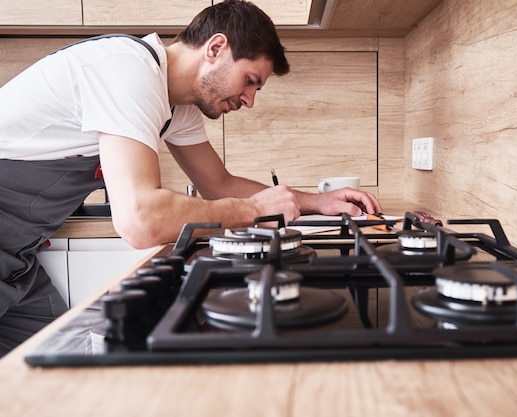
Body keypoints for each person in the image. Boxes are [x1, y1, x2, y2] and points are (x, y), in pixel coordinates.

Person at [0, 0, 382, 355]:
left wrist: (315, 202)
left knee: (56, 373)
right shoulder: (127, 69)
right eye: (250, 80)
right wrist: (250, 209)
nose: (250, 100)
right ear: (216, 48)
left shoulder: (175, 106)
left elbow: (219, 184)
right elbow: (139, 220)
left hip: (16, 260)